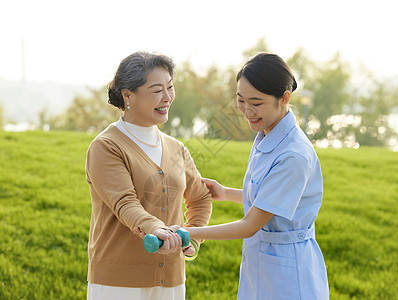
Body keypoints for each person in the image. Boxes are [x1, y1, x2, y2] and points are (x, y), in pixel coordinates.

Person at [172, 53, 329, 299]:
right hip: (263, 261)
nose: (247, 111)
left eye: (256, 103)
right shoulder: (268, 133)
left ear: (284, 98)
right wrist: (225, 193)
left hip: (289, 271)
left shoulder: (293, 155)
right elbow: (267, 198)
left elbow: (250, 225)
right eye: (241, 100)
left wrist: (187, 232)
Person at [85, 51, 212, 300]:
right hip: (118, 283)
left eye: (170, 87)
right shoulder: (106, 146)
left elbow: (200, 199)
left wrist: (192, 240)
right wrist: (158, 229)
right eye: (156, 90)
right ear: (128, 95)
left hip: (171, 281)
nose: (167, 97)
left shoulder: (176, 148)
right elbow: (125, 203)